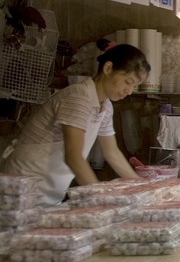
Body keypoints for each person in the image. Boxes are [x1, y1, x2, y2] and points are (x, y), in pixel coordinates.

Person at [0, 45, 149, 206]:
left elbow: (111, 152)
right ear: (108, 68)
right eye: (128, 82)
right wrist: (100, 197)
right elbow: (74, 157)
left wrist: (142, 188)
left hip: (49, 192)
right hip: (19, 190)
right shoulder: (78, 98)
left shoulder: (105, 106)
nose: (129, 91)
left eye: (134, 86)